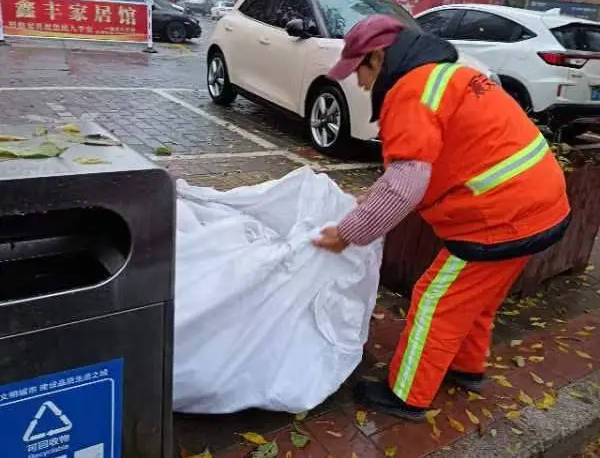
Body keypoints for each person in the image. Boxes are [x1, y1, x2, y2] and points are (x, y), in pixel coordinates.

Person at [313, 15, 571, 422]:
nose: (359, 83)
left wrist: (348, 233)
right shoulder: (449, 76)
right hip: (541, 207)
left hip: (499, 218)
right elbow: (431, 163)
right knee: (476, 299)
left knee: (434, 301)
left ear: (378, 57)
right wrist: (372, 202)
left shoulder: (410, 93)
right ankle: (467, 369)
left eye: (359, 69)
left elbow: (405, 183)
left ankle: (406, 395)